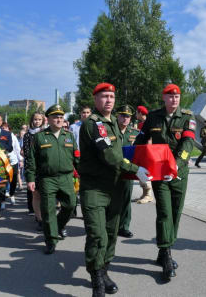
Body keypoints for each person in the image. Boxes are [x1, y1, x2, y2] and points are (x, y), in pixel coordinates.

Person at [78, 83, 151, 296]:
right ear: (95, 100)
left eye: (111, 96)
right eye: (104, 96)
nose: (109, 100)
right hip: (95, 189)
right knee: (97, 234)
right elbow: (110, 156)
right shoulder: (94, 124)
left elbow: (123, 154)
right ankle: (96, 279)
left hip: (116, 188)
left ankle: (104, 270)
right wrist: (135, 169)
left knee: (111, 233)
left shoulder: (114, 125)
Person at [134, 83, 196, 281]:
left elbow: (188, 143)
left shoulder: (187, 116)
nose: (174, 100)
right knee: (164, 212)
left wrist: (177, 164)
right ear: (164, 98)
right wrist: (133, 162)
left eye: (177, 96)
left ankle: (164, 250)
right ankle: (167, 255)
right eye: (170, 96)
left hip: (179, 172)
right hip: (159, 173)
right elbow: (142, 140)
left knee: (176, 212)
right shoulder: (153, 116)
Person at [26, 104, 80, 254]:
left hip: (66, 177)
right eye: (55, 117)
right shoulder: (39, 137)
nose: (59, 119)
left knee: (70, 205)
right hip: (47, 179)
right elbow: (31, 160)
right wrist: (30, 179)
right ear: (48, 119)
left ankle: (59, 225)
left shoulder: (69, 136)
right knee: (48, 210)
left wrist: (82, 173)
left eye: (61, 117)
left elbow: (76, 157)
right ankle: (50, 240)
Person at [116, 105, 139, 239]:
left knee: (125, 199)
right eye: (123, 115)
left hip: (128, 171)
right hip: (112, 170)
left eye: (128, 116)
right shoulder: (111, 131)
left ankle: (124, 227)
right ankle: (110, 224)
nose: (125, 118)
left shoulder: (134, 133)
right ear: (117, 116)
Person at [22, 112, 44, 230]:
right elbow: (26, 152)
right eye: (35, 119)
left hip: (44, 166)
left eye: (39, 119)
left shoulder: (45, 133)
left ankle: (42, 215)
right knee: (34, 191)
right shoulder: (27, 135)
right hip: (31, 165)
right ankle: (37, 215)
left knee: (43, 191)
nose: (37, 121)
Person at [133, 105, 154, 204]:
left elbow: (150, 139)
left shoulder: (149, 123)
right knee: (141, 172)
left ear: (140, 113)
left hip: (147, 151)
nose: (135, 115)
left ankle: (148, 195)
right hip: (141, 151)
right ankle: (144, 193)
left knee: (146, 172)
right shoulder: (142, 124)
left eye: (136, 113)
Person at [1, 123, 23, 206]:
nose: (4, 129)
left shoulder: (13, 137)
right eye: (2, 128)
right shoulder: (0, 136)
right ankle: (2, 201)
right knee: (3, 181)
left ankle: (12, 194)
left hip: (13, 161)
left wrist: (20, 160)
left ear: (9, 129)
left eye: (6, 128)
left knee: (13, 181)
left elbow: (17, 149)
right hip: (2, 161)